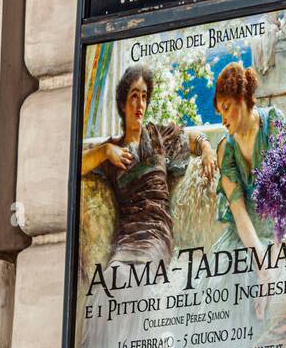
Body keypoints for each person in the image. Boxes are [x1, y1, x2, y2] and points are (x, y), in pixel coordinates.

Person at [81, 65, 217, 265]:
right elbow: (72, 167)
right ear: (122, 103)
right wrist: (105, 151)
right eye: (134, 96)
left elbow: (193, 140)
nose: (140, 104)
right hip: (127, 239)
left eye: (144, 97)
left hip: (156, 233)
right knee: (112, 279)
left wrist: (207, 149)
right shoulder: (112, 151)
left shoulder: (158, 136)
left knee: (136, 277)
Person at [209, 62, 286, 327]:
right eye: (219, 112)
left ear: (242, 98)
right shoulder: (226, 149)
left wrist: (274, 260)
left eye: (226, 108)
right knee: (224, 280)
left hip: (277, 231)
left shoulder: (274, 123)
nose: (223, 119)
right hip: (245, 235)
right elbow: (239, 213)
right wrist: (262, 267)